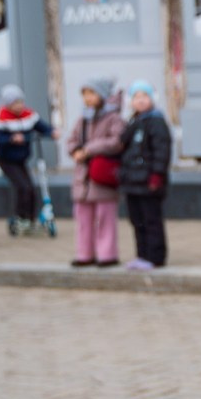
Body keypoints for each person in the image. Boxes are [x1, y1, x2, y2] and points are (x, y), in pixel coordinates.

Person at [66, 78, 124, 268]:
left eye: (92, 93)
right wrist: (75, 151)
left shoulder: (114, 118)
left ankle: (107, 254)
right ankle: (84, 253)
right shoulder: (82, 119)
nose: (88, 98)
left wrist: (89, 149)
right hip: (83, 179)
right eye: (85, 94)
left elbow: (117, 142)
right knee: (83, 219)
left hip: (102, 177)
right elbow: (72, 140)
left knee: (105, 218)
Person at [119, 80, 172, 270]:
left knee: (151, 220)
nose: (141, 101)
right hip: (132, 182)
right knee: (137, 221)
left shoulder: (156, 121)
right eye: (136, 97)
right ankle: (142, 255)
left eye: (145, 96)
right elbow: (122, 145)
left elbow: (162, 150)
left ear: (152, 98)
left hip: (149, 182)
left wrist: (156, 175)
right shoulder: (133, 122)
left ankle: (155, 257)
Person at [0, 83, 53, 234]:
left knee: (31, 188)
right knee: (22, 186)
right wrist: (12, 138)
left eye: (20, 102)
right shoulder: (2, 119)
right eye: (15, 103)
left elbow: (42, 127)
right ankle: (20, 217)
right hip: (6, 160)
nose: (19, 106)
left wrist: (52, 132)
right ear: (8, 105)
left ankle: (31, 218)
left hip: (21, 159)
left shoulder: (29, 115)